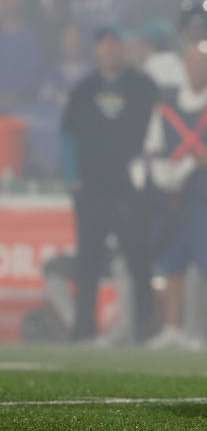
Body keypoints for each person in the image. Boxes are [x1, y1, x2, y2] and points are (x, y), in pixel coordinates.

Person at [143, 38, 207, 351]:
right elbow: (154, 145)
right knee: (172, 263)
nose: (198, 69)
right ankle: (172, 328)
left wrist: (190, 163)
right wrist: (162, 169)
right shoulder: (166, 105)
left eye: (204, 64)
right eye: (192, 63)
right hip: (174, 198)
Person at [60, 25, 157, 344]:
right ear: (96, 50)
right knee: (88, 261)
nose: (110, 50)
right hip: (91, 189)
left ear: (123, 49)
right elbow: (68, 136)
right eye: (104, 44)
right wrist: (72, 177)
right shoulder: (83, 90)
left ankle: (146, 328)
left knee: (138, 258)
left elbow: (157, 131)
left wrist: (148, 173)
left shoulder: (142, 87)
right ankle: (82, 329)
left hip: (131, 188)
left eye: (116, 43)